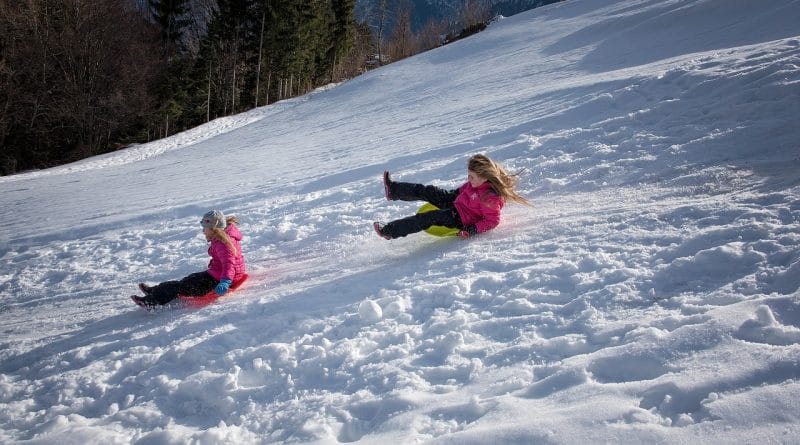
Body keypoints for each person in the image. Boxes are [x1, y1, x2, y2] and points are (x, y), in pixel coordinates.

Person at [374, 154, 530, 240]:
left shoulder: (489, 198)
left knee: (426, 218)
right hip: (455, 201)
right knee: (428, 190)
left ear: (485, 177)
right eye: (468, 175)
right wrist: (452, 194)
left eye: (472, 177)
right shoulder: (475, 183)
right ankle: (393, 190)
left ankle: (389, 231)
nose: (468, 179)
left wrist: (472, 230)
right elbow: (464, 189)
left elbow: (492, 221)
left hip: (459, 218)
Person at [131, 210, 247, 308]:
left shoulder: (223, 243)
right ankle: (154, 291)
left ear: (213, 229)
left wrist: (225, 281)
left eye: (205, 228)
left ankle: (152, 301)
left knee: (182, 287)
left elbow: (229, 264)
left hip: (221, 279)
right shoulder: (223, 238)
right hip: (218, 274)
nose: (203, 231)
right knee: (188, 280)